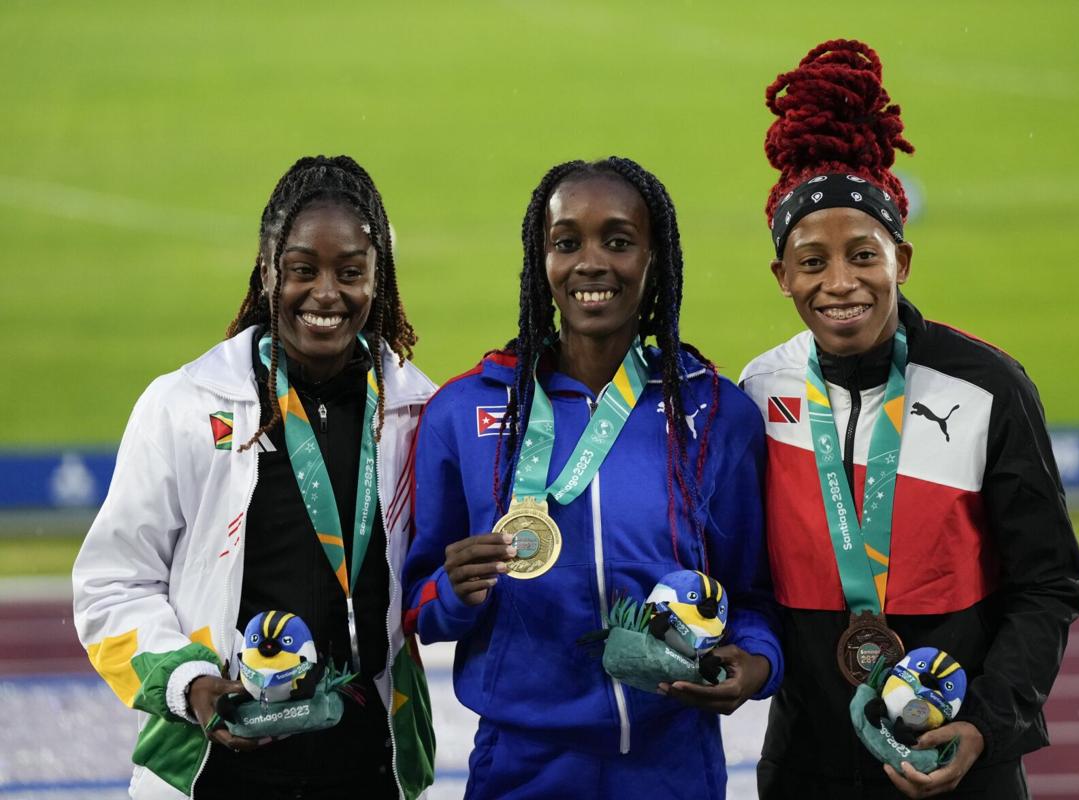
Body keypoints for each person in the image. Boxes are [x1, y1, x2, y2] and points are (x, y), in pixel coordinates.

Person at [739, 40, 1079, 798]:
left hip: (959, 766)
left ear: (902, 259)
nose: (840, 283)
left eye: (863, 255)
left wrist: (988, 724)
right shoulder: (760, 391)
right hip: (807, 769)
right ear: (781, 276)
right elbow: (747, 574)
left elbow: (1048, 583)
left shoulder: (990, 387)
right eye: (812, 261)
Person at [402, 156, 782, 798]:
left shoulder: (717, 413)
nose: (591, 264)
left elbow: (754, 595)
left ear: (653, 257)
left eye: (618, 241)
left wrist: (756, 663)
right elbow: (417, 604)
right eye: (566, 242)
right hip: (522, 764)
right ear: (540, 259)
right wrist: (453, 592)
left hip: (674, 764)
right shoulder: (463, 413)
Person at [73, 155, 437, 799]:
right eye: (302, 270)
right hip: (216, 763)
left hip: (368, 764)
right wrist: (193, 687)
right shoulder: (185, 405)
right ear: (269, 271)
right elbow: (110, 586)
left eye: (351, 272)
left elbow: (434, 583)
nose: (326, 294)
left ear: (378, 280)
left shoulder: (418, 414)